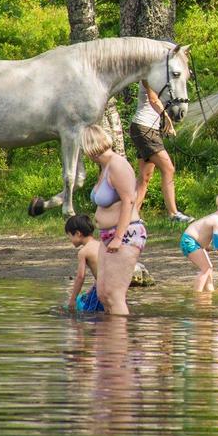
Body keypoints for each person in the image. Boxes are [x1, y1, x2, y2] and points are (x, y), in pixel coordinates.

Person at [82, 124, 147, 315]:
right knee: (103, 294)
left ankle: (119, 340)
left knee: (114, 294)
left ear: (89, 145)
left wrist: (118, 237)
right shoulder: (104, 167)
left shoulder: (117, 165)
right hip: (107, 235)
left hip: (126, 234)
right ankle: (110, 340)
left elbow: (129, 201)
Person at [129, 75, 193, 224]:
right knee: (168, 169)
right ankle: (173, 213)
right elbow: (153, 100)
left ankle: (132, 216)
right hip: (144, 127)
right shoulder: (148, 77)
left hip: (146, 128)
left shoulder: (163, 78)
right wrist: (167, 119)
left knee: (145, 176)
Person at [65, 214, 104, 313]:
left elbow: (80, 277)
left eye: (69, 236)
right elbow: (102, 271)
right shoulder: (101, 244)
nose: (69, 239)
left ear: (78, 233)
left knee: (90, 314)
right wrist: (92, 289)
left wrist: (73, 299)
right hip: (112, 285)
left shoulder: (83, 252)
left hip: (102, 288)